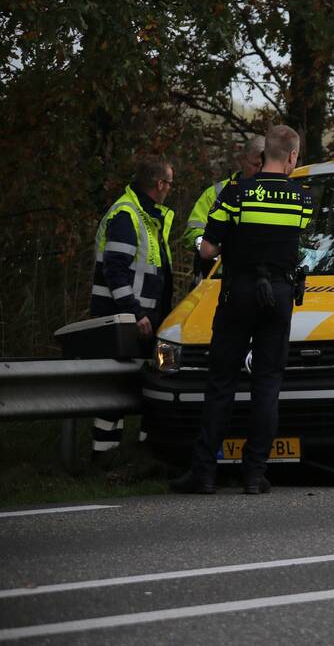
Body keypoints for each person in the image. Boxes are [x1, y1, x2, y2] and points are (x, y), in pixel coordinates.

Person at [171, 125, 312, 495]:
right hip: (280, 295)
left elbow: (207, 251)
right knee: (267, 384)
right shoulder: (302, 198)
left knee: (221, 384)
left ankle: (203, 473)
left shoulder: (237, 193)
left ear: (264, 154)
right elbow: (300, 241)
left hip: (239, 292)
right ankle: (254, 474)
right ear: (293, 156)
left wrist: (232, 241)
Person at [90, 156, 175, 458]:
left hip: (142, 321)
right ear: (160, 184)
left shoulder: (147, 215)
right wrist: (135, 312)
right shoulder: (128, 215)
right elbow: (115, 270)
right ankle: (103, 457)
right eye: (170, 183)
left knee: (143, 389)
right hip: (123, 320)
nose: (170, 190)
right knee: (114, 392)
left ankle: (138, 456)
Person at [182, 136, 265, 284]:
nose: (260, 170)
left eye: (264, 165)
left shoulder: (275, 193)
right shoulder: (215, 193)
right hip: (213, 278)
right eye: (256, 164)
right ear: (242, 159)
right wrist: (208, 244)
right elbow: (193, 230)